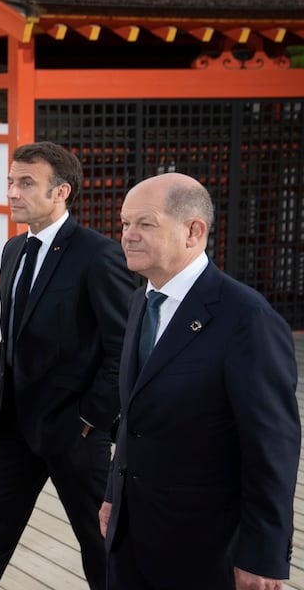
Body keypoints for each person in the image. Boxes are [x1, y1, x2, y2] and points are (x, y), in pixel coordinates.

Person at [0, 142, 134, 589]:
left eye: (26, 183)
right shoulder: (13, 250)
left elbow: (124, 348)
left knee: (100, 545)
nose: (13, 192)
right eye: (11, 182)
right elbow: (10, 339)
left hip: (75, 432)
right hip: (13, 429)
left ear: (61, 192)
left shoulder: (98, 255)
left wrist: (91, 418)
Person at [100, 173, 299, 590]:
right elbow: (136, 417)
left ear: (193, 231)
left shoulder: (247, 319)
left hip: (205, 547)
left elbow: (271, 447)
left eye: (145, 224)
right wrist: (114, 496)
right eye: (125, 223)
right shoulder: (142, 300)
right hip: (131, 534)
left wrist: (262, 554)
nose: (127, 236)